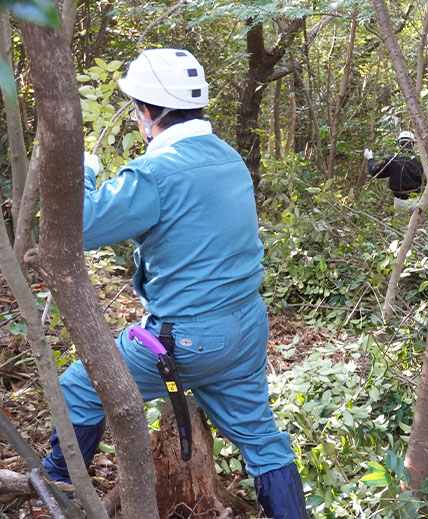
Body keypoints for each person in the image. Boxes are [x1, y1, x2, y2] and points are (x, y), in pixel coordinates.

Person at [41, 48, 308, 518]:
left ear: (146, 112)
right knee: (264, 442)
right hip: (246, 326)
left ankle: (56, 494)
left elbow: (78, 226)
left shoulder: (156, 174)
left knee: (79, 389)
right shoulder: (228, 157)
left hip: (185, 340)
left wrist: (82, 170)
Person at [363, 130, 423, 211]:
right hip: (415, 200)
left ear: (399, 144)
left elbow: (374, 171)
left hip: (401, 201)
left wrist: (370, 158)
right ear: (413, 144)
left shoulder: (392, 160)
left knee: (400, 218)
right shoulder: (420, 161)